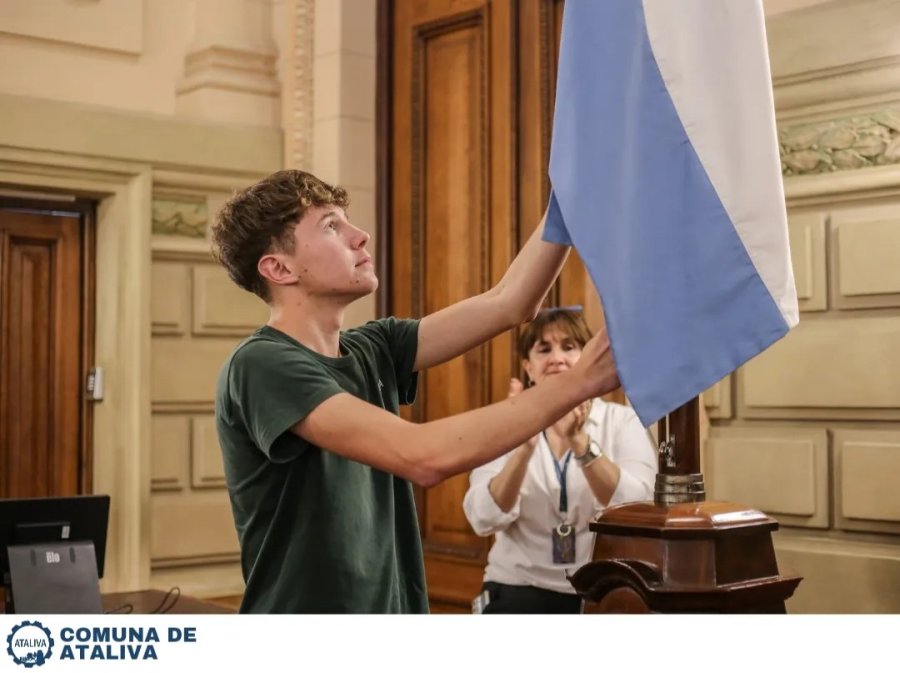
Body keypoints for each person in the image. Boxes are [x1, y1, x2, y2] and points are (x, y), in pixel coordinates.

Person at [210, 169, 620, 613]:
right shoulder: (261, 365)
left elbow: (511, 301)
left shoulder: (375, 346)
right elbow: (422, 456)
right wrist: (580, 382)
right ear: (278, 267)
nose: (361, 235)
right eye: (331, 225)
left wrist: (572, 195)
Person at [463, 307, 656, 614]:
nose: (557, 358)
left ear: (588, 359)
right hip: (518, 587)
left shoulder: (623, 422)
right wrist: (522, 448)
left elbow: (637, 509)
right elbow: (482, 518)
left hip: (603, 590)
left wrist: (580, 443)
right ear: (528, 367)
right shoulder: (503, 425)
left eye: (569, 347)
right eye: (544, 349)